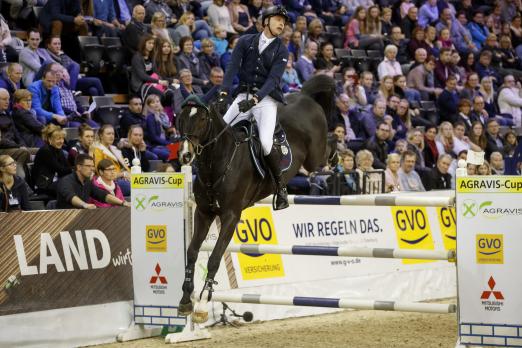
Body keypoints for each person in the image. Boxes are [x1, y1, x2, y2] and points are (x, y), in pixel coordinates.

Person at [217, 5, 290, 210]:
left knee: (266, 143)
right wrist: (224, 93)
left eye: (284, 22)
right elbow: (232, 68)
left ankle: (280, 188)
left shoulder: (281, 50)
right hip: (242, 95)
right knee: (221, 130)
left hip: (265, 100)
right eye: (278, 19)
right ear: (265, 21)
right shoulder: (245, 41)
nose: (282, 24)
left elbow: (274, 80)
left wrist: (256, 99)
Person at [56, 154, 130, 209]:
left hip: (81, 218)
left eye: (92, 166)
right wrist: (84, 205)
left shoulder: (88, 182)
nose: (92, 169)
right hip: (64, 220)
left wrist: (123, 203)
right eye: (88, 166)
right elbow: (71, 197)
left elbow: (103, 196)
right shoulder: (66, 181)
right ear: (79, 167)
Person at [0, 88, 35, 179]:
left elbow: (16, 133)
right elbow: (1, 141)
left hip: (15, 147)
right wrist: (18, 146)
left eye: (8, 99)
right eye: (4, 99)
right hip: (3, 149)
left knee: (42, 151)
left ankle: (39, 183)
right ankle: (20, 182)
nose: (7, 102)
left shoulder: (7, 114)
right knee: (23, 152)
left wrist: (22, 145)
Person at [32, 124, 72, 196]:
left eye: (62, 138)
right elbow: (60, 170)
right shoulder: (45, 151)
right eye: (58, 139)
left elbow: (66, 167)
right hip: (44, 185)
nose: (61, 141)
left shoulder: (58, 150)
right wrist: (76, 170)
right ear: (50, 139)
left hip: (54, 182)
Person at [91, 125, 131, 196]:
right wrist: (122, 174)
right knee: (135, 187)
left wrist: (129, 174)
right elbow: (101, 172)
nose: (111, 136)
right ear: (101, 136)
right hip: (110, 182)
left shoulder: (115, 149)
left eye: (113, 134)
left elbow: (126, 167)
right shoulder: (97, 150)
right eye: (108, 134)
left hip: (123, 178)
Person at [144, 94, 176, 161]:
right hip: (154, 146)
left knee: (181, 152)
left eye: (157, 101)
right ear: (148, 105)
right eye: (153, 102)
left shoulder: (162, 115)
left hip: (163, 143)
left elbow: (164, 132)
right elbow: (153, 137)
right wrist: (169, 143)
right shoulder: (150, 117)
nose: (156, 104)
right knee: (173, 154)